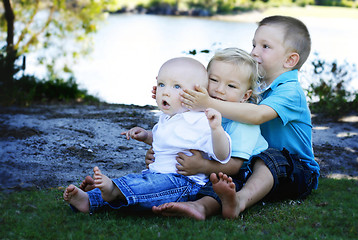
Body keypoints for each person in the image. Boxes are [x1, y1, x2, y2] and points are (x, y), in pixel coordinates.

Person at [152, 15, 320, 220]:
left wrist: (207, 102)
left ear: (290, 60)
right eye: (254, 44)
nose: (254, 51)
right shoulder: (251, 86)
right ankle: (201, 207)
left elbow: (257, 115)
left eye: (265, 46)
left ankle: (241, 200)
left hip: (296, 170)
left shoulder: (291, 91)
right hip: (247, 162)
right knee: (226, 179)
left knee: (268, 159)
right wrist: (173, 94)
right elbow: (208, 101)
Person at [63, 57, 232, 213]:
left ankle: (111, 190)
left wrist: (217, 130)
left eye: (177, 86)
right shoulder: (168, 117)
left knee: (144, 187)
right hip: (155, 175)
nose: (165, 92)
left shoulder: (200, 121)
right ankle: (90, 200)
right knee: (140, 184)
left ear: (197, 93)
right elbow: (164, 140)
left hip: (184, 184)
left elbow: (222, 155)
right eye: (161, 84)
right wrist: (146, 136)